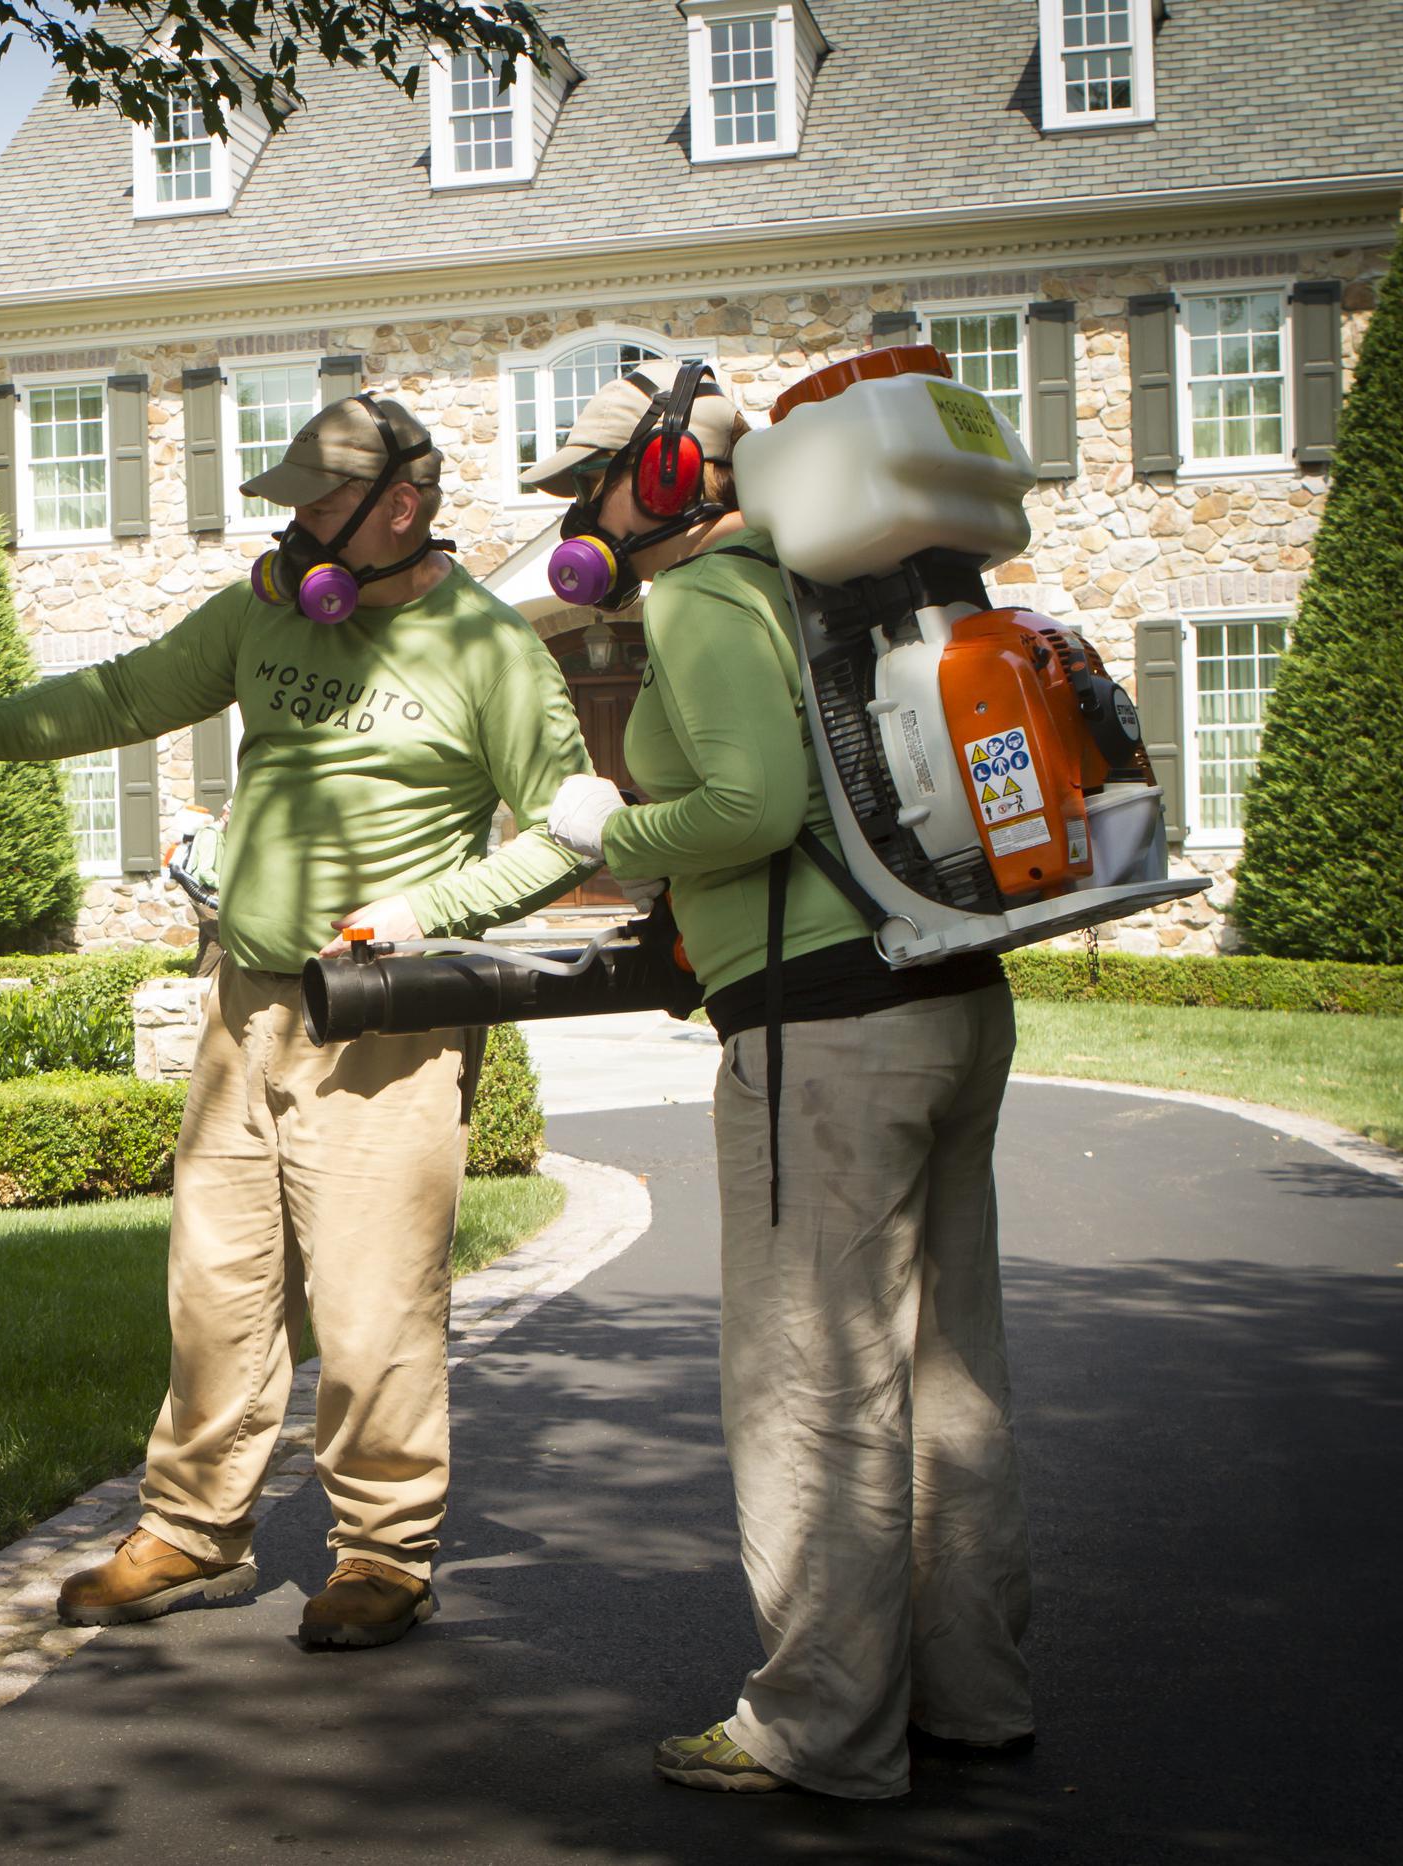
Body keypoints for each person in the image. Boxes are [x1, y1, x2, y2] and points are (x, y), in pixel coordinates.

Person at [0, 394, 595, 1650]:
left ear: (399, 507)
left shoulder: (492, 652)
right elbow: (125, 693)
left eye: (318, 502)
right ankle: (193, 1532)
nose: (295, 524)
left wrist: (420, 915)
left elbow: (573, 837)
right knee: (216, 1290)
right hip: (244, 1009)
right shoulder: (265, 611)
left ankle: (383, 1552)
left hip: (383, 1025)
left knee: (371, 1307)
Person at [531, 365, 1033, 1798]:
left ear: (676, 471)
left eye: (593, 482)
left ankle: (818, 1724)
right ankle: (972, 1695)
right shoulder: (838, 580)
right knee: (949, 1376)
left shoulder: (698, 599)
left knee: (815, 1383)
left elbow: (749, 806)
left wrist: (606, 825)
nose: (580, 513)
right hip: (950, 998)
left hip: (823, 1037)